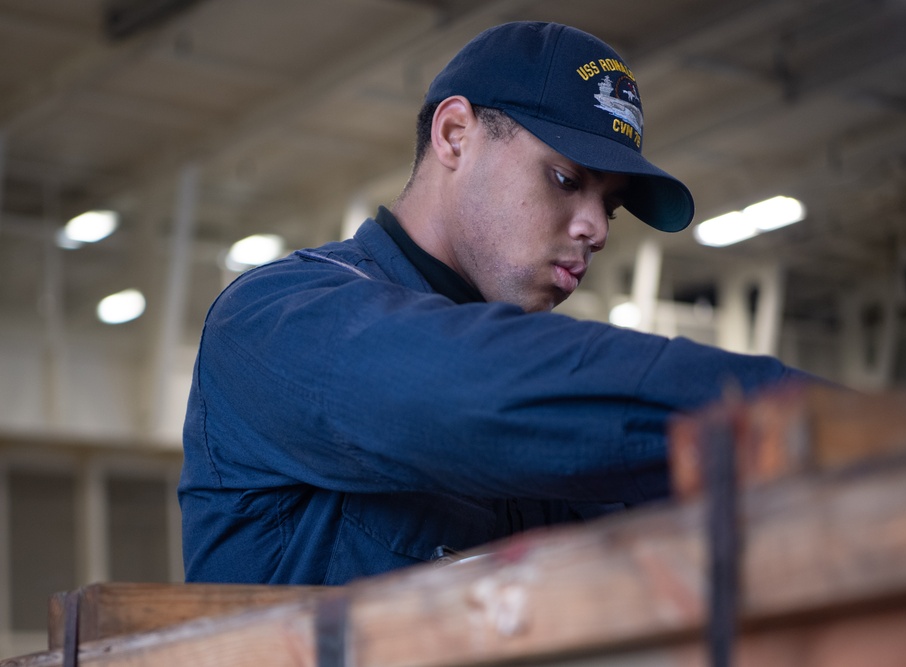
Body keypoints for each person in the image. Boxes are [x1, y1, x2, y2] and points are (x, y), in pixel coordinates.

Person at [178, 21, 812, 585]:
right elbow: (478, 398)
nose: (596, 228)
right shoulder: (275, 320)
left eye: (611, 205)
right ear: (455, 135)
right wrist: (810, 414)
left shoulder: (546, 384)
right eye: (566, 180)